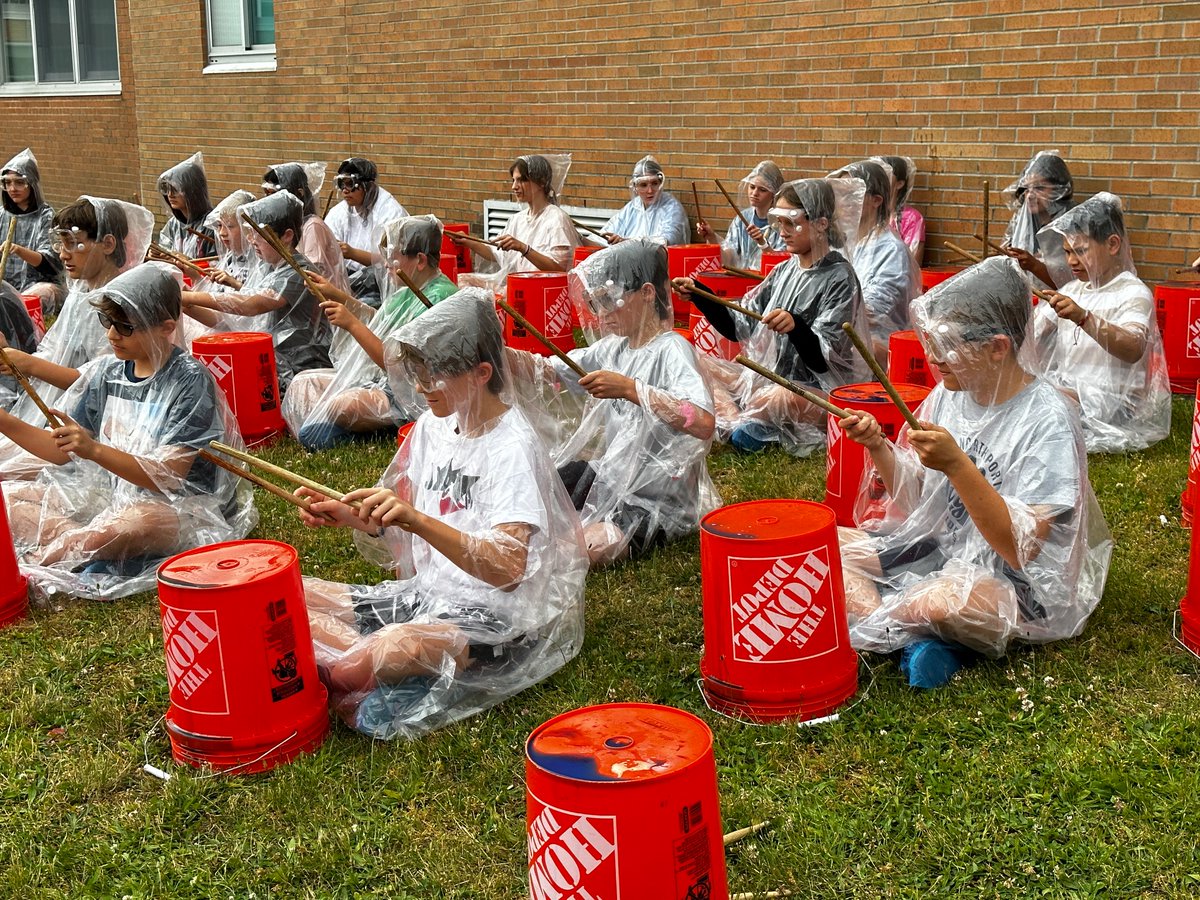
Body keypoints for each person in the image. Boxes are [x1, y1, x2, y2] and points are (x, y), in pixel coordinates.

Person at [295, 288, 587, 739]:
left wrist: (415, 519)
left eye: (433, 375)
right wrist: (353, 516)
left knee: (380, 653)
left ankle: (338, 676)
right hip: (429, 595)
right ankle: (350, 677)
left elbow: (508, 568)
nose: (420, 386)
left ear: (480, 373)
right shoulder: (435, 425)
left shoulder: (510, 446)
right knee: (292, 598)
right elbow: (404, 521)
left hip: (495, 621)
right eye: (417, 373)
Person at [836, 256, 1112, 688]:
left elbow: (1021, 550)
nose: (934, 358)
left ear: (998, 346)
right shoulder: (952, 395)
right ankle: (903, 632)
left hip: (1021, 588)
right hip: (942, 551)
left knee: (950, 603)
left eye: (948, 345)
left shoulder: (1048, 418)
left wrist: (957, 465)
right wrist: (878, 446)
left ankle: (889, 625)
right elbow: (918, 507)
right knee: (823, 546)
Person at [0, 263, 256, 601]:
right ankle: (85, 544)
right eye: (108, 322)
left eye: (125, 326)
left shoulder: (190, 381)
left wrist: (94, 450)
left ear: (166, 327)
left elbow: (167, 476)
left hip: (182, 508)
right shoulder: (107, 372)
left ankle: (35, 565)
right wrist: (4, 420)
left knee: (137, 523)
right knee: (7, 498)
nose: (111, 335)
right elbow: (58, 451)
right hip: (112, 493)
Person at [508, 239, 719, 565]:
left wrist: (632, 390)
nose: (602, 313)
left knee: (593, 546)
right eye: (595, 303)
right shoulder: (613, 349)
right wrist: (495, 351)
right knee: (535, 486)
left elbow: (702, 421)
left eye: (610, 300)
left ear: (647, 294)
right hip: (611, 477)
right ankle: (511, 548)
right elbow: (547, 370)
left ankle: (525, 559)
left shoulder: (672, 349)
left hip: (658, 500)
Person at [674, 177, 871, 455]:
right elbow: (739, 325)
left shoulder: (841, 277)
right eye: (780, 223)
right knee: (694, 361)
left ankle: (738, 423)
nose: (783, 231)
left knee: (780, 397)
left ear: (821, 224)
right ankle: (735, 421)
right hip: (771, 381)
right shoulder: (784, 271)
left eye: (791, 223)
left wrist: (796, 327)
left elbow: (825, 359)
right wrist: (701, 295)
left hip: (815, 392)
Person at [0, 196, 155, 480]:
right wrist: (12, 358)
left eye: (73, 243)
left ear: (108, 244)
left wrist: (29, 365)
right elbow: (52, 350)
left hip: (94, 430)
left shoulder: (117, 305)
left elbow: (103, 384)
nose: (62, 254)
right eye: (60, 243)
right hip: (56, 413)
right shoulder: (81, 292)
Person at [283, 215, 458, 450]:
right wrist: (334, 293)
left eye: (393, 258)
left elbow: (396, 364)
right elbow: (382, 324)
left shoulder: (436, 299)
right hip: (384, 383)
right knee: (303, 384)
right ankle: (327, 431)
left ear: (420, 260)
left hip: (412, 394)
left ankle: (373, 434)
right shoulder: (408, 290)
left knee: (339, 406)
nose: (386, 265)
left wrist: (353, 325)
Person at [1031, 193, 1171, 452]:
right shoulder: (1073, 290)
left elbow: (1133, 348)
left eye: (1080, 251)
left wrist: (1084, 318)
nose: (1071, 261)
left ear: (1113, 244)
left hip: (1114, 403)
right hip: (1070, 390)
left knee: (1035, 403)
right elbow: (1031, 334)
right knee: (1021, 393)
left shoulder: (1133, 293)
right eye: (1066, 252)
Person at [181, 191, 331, 392]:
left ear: (287, 236)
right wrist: (185, 305)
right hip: (273, 364)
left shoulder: (298, 272)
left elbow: (250, 305)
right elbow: (227, 319)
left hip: (302, 369)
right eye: (248, 233)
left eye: (257, 234)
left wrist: (188, 296)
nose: (251, 240)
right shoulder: (267, 267)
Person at [453, 154, 580, 293]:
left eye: (521, 180)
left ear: (541, 182)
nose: (514, 186)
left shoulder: (556, 219)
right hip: (516, 288)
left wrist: (524, 249)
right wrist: (467, 241)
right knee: (459, 280)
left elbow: (559, 270)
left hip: (540, 293)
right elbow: (494, 251)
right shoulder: (517, 219)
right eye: (513, 180)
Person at [832, 159, 919, 361]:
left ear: (876, 200)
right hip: (838, 336)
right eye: (839, 193)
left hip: (876, 350)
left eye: (850, 193)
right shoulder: (839, 243)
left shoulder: (891, 250)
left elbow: (873, 311)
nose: (840, 201)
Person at [324, 157, 409, 305]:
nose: (344, 190)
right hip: (348, 277)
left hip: (383, 281)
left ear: (367, 185)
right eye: (341, 184)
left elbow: (391, 262)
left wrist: (352, 253)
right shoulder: (341, 211)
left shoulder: (389, 211)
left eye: (350, 184)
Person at [263, 162, 351, 295]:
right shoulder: (289, 225)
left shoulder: (312, 227)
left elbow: (306, 277)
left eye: (275, 194)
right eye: (267, 194)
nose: (269, 201)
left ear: (298, 194)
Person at [1, 148, 66, 314]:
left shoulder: (46, 216)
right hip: (5, 284)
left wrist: (19, 250)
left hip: (37, 284)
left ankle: (16, 311)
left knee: (44, 293)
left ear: (32, 183)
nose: (12, 188)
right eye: (8, 183)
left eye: (19, 182)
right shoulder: (2, 215)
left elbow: (51, 264)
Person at [1000, 149, 1076, 289]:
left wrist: (1034, 265)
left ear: (1059, 190)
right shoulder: (1020, 223)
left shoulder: (1073, 227)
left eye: (1039, 188)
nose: (1030, 195)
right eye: (1026, 189)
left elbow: (1074, 283)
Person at [695, 160, 788, 269]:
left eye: (762, 190)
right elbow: (728, 260)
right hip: (742, 281)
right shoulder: (742, 219)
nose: (754, 193)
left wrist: (763, 244)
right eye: (752, 187)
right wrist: (712, 238)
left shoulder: (783, 222)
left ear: (774, 194)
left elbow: (782, 266)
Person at [598, 156, 689, 246]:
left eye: (654, 183)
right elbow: (605, 236)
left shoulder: (671, 207)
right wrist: (584, 239)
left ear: (661, 184)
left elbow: (667, 240)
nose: (650, 190)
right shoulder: (633, 207)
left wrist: (626, 242)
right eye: (643, 185)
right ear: (635, 187)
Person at [156, 152, 215, 260]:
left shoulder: (211, 225)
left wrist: (188, 262)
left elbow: (217, 265)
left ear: (192, 190)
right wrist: (157, 255)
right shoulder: (174, 224)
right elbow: (164, 249)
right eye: (167, 189)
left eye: (176, 189)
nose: (170, 195)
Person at [875, 154, 925, 266]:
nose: (881, 178)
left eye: (887, 173)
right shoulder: (871, 214)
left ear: (900, 183)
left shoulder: (912, 218)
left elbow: (912, 264)